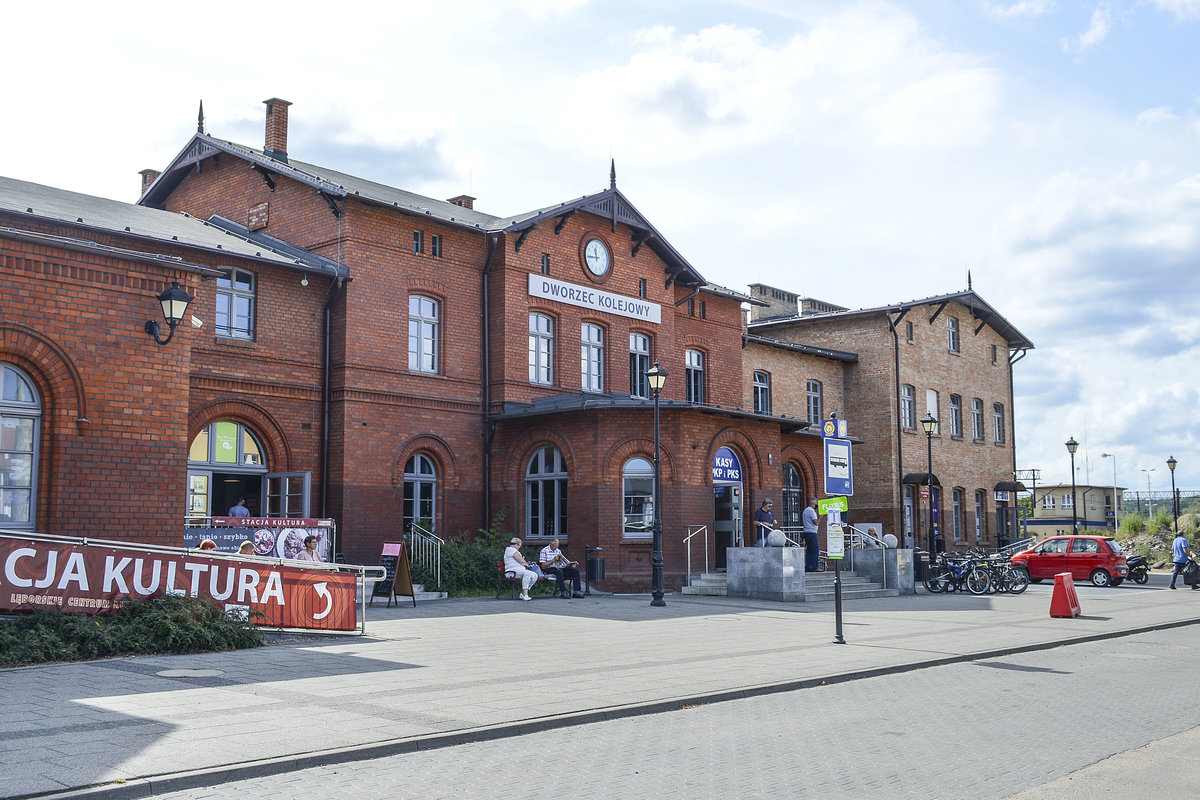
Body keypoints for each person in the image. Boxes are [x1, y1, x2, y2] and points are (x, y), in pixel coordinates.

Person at [503, 537, 539, 601]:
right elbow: (521, 561)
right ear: (517, 544)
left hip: (518, 571)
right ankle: (525, 595)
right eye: (519, 546)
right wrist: (526, 564)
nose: (519, 548)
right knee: (527, 573)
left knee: (534, 575)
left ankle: (523, 593)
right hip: (512, 572)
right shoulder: (512, 550)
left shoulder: (511, 550)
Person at [802, 498, 821, 572]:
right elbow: (816, 522)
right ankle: (814, 566)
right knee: (814, 550)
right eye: (817, 504)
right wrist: (821, 516)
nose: (817, 505)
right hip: (811, 533)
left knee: (809, 550)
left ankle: (808, 566)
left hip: (807, 532)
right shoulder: (811, 511)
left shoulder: (806, 510)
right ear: (814, 503)